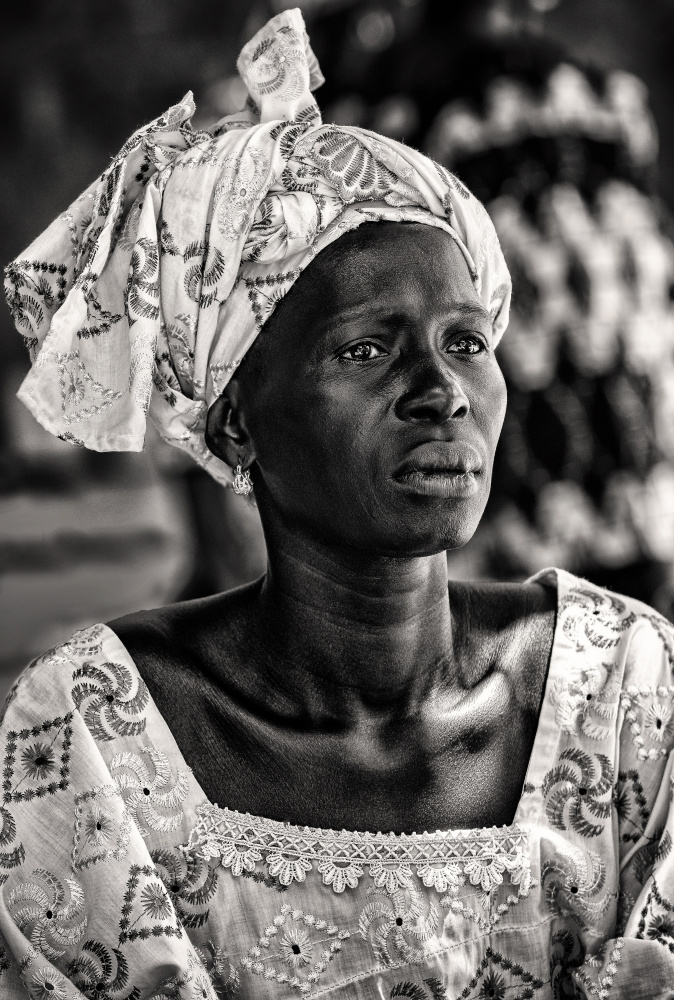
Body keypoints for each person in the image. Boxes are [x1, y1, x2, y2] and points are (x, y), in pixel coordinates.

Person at [1, 10, 673, 999]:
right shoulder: (97, 732)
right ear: (233, 427)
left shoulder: (624, 690)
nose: (440, 390)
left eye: (466, 341)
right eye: (365, 348)